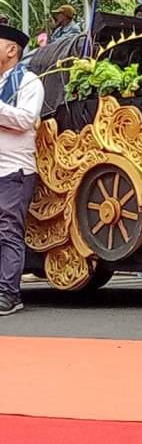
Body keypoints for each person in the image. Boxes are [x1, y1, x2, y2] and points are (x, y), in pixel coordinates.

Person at [0, 25, 44, 316]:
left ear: (12, 50)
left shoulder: (28, 82)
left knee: (8, 231)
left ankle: (8, 293)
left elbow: (27, 119)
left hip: (14, 169)